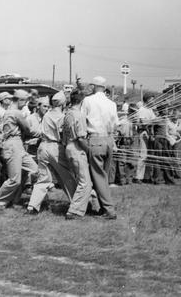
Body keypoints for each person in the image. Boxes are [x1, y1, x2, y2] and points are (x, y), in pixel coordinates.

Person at [0, 89, 52, 213]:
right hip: (13, 145)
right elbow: (28, 129)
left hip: (17, 144)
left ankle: (13, 198)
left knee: (34, 170)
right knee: (14, 179)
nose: (26, 104)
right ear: (20, 100)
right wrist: (45, 134)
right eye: (25, 101)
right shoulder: (15, 113)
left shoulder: (11, 111)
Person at [31, 91, 76, 213]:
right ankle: (76, 204)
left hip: (42, 146)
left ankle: (32, 206)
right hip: (55, 147)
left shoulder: (46, 115)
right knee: (67, 176)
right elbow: (63, 135)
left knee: (43, 178)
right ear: (63, 104)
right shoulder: (62, 117)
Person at [81, 76, 118, 219]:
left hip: (95, 139)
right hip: (108, 139)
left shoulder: (88, 101)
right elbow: (115, 124)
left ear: (94, 86)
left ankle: (109, 210)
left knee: (98, 177)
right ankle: (104, 207)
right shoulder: (112, 103)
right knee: (104, 175)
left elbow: (82, 120)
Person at [62, 89, 93, 219]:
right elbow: (81, 138)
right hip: (76, 148)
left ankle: (81, 206)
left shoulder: (68, 113)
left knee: (81, 180)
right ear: (82, 100)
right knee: (85, 182)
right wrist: (89, 150)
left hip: (68, 146)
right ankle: (74, 210)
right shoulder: (79, 115)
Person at [149, 105, 175, 185]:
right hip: (158, 140)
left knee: (167, 159)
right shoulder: (157, 119)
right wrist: (152, 135)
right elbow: (150, 126)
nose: (167, 111)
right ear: (162, 111)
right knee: (158, 159)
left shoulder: (166, 119)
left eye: (167, 109)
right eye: (165, 110)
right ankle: (156, 179)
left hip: (165, 140)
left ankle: (169, 179)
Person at [134, 96, 156, 183]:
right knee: (143, 155)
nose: (154, 102)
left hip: (149, 134)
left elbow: (154, 120)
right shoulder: (142, 110)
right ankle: (138, 177)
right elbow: (143, 123)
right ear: (147, 101)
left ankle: (147, 176)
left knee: (149, 155)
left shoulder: (150, 110)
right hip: (143, 133)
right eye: (152, 100)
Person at [114, 107, 133, 186]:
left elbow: (119, 133)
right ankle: (125, 179)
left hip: (126, 142)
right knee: (125, 162)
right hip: (126, 142)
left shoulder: (123, 123)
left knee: (124, 162)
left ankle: (125, 179)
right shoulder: (125, 122)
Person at [167, 109, 181, 179]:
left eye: (178, 115)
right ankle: (172, 172)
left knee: (175, 156)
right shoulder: (168, 122)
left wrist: (180, 138)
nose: (177, 117)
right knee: (170, 156)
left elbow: (177, 132)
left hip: (176, 141)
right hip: (169, 141)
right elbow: (167, 133)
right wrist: (171, 138)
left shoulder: (177, 122)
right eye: (175, 115)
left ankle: (178, 173)